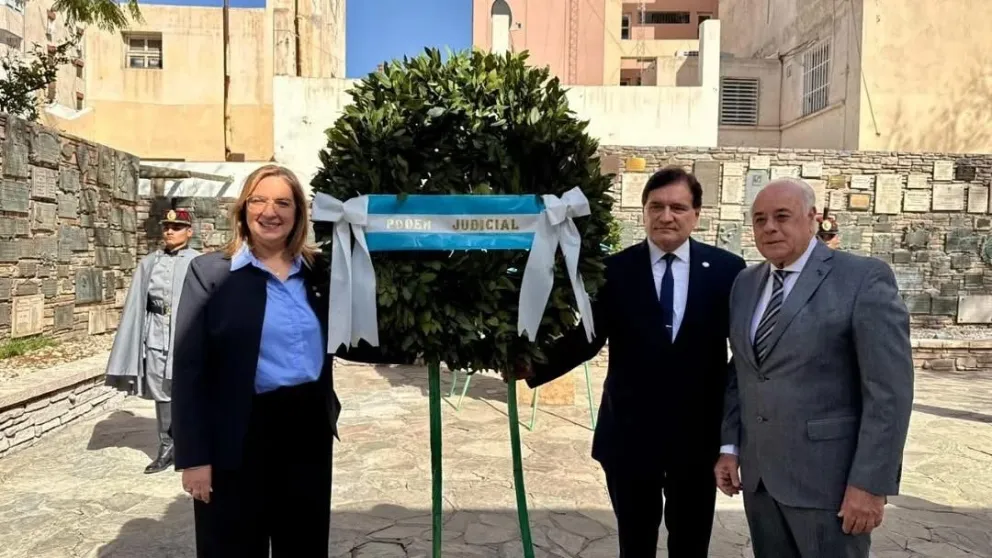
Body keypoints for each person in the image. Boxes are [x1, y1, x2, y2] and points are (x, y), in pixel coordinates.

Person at [507, 166, 746, 557]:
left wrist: (735, 437)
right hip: (630, 436)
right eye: (656, 206)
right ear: (644, 211)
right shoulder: (615, 270)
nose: (666, 216)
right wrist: (532, 365)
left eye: (678, 207)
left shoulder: (727, 270)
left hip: (698, 439)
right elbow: (587, 338)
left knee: (691, 542)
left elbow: (742, 350)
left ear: (696, 215)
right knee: (634, 543)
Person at [170, 164, 397, 557]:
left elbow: (355, 336)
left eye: (282, 202)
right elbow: (190, 370)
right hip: (236, 435)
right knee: (234, 547)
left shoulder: (319, 273)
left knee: (304, 544)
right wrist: (194, 458)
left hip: (307, 427)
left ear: (298, 214)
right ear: (243, 210)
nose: (269, 211)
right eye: (258, 200)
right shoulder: (210, 274)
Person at [715, 178, 914, 558]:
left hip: (832, 488)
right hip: (761, 486)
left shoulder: (862, 279)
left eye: (782, 216)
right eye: (760, 219)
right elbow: (741, 372)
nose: (770, 227)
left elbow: (889, 392)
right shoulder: (745, 284)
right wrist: (729, 446)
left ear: (813, 219)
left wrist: (871, 484)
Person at [105, 207, 199, 474]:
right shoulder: (149, 263)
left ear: (189, 232)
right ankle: (167, 447)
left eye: (177, 227)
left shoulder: (199, 262)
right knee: (162, 392)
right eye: (167, 227)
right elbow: (137, 305)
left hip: (187, 336)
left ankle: (191, 446)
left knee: (190, 390)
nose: (170, 231)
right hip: (157, 336)